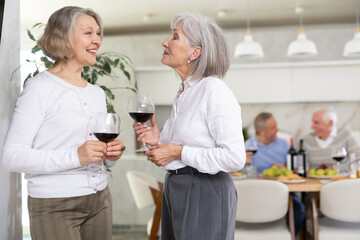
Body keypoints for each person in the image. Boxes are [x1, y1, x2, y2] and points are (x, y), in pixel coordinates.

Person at [1, 6, 125, 240]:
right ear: (63, 37)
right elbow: (12, 155)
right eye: (88, 33)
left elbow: (95, 156)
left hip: (100, 201)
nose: (97, 40)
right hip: (55, 205)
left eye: (98, 33)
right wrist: (76, 156)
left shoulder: (96, 93)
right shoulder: (40, 88)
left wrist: (110, 156)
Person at [133, 13, 245, 240]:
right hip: (176, 186)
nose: (165, 41)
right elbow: (189, 143)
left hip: (205, 190)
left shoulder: (213, 90)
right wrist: (159, 141)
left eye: (175, 36)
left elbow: (234, 158)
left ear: (195, 52)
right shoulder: (185, 91)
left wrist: (176, 151)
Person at [245, 112, 305, 236]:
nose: (277, 130)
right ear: (261, 131)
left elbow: (294, 171)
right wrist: (241, 163)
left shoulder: (284, 145)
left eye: (276, 126)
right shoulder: (247, 146)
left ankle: (289, 236)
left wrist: (285, 168)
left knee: (299, 209)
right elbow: (236, 176)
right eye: (273, 128)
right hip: (256, 194)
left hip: (283, 193)